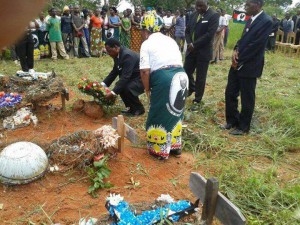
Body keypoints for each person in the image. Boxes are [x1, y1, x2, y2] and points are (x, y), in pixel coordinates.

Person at [140, 12, 188, 159]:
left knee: (158, 112)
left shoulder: (147, 44)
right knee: (175, 112)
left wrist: (147, 89)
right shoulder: (171, 40)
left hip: (164, 77)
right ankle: (175, 147)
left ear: (145, 29)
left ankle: (160, 151)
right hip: (181, 75)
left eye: (141, 29)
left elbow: (144, 71)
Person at [221, 0, 272, 135]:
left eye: (248, 4)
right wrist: (235, 50)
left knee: (247, 97)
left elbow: (257, 45)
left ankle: (243, 127)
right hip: (237, 63)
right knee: (230, 92)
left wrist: (240, 59)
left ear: (258, 5)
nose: (245, 7)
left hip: (250, 65)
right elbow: (243, 40)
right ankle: (232, 120)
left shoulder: (266, 21)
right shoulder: (250, 20)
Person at [184, 0, 219, 111]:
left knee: (201, 77)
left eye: (201, 6)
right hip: (191, 50)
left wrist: (195, 44)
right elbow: (187, 30)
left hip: (203, 52)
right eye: (197, 6)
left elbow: (209, 34)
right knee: (186, 72)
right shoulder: (194, 14)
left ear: (206, 4)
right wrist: (190, 43)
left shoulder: (213, 15)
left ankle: (197, 100)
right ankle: (192, 87)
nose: (198, 8)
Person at [101, 38, 145, 117]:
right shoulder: (117, 55)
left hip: (142, 79)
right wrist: (102, 84)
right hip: (133, 77)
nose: (108, 53)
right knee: (120, 86)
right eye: (107, 51)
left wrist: (113, 93)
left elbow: (125, 77)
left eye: (109, 51)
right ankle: (131, 108)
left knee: (126, 87)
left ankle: (139, 109)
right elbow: (114, 71)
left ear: (116, 47)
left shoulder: (127, 56)